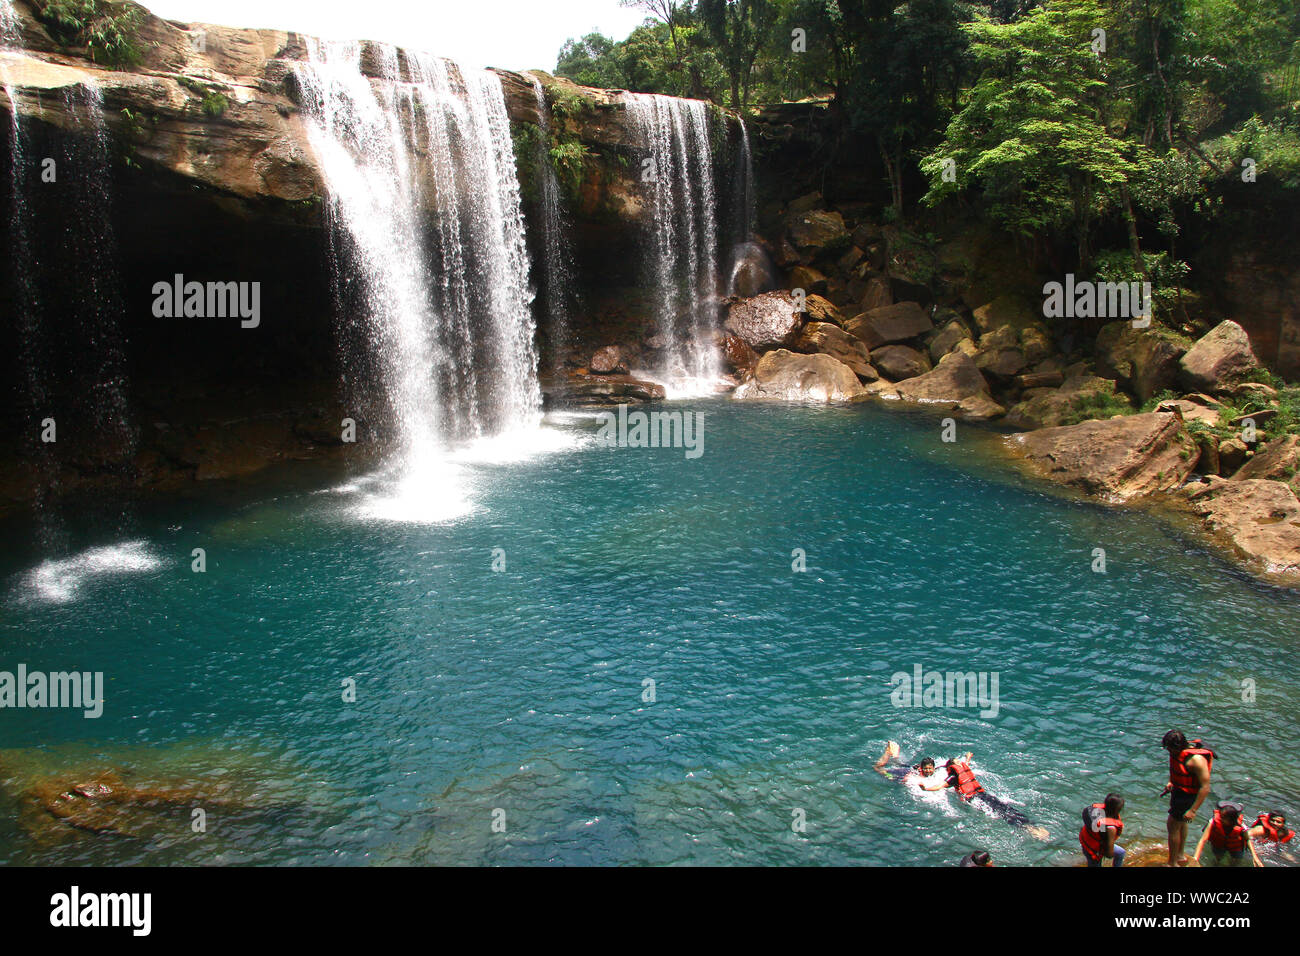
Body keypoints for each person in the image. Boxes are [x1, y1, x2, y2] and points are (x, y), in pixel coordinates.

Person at [943, 757, 1050, 841]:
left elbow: (965, 767)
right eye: (957, 762)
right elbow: (940, 786)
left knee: (1005, 808)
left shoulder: (961, 771)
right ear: (953, 766)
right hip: (977, 798)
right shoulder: (953, 778)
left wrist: (968, 758)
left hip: (981, 796)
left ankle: (1032, 826)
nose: (960, 763)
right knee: (1002, 812)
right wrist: (930, 788)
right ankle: (1031, 830)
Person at [1160, 730, 1213, 866]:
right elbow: (1178, 769)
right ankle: (1180, 856)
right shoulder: (1177, 753)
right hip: (1179, 791)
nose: (1168, 751)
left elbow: (1205, 787)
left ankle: (1172, 863)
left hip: (1187, 797)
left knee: (1172, 827)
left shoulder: (1196, 760)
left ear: (1179, 746)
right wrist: (1171, 782)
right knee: (1182, 824)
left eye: (1170, 748)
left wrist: (1193, 810)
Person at [1193, 802, 1261, 867]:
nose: (1220, 818)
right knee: (1217, 858)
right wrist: (1195, 858)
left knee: (1235, 862)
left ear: (1231, 820)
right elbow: (1203, 840)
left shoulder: (1241, 826)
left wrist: (1255, 857)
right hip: (1219, 843)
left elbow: (1248, 839)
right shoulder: (1213, 821)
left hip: (1235, 846)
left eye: (1223, 817)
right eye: (1220, 816)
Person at [873, 741, 949, 791]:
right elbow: (906, 778)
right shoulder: (916, 775)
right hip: (903, 772)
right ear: (922, 768)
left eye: (930, 768)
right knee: (877, 768)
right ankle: (888, 751)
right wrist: (896, 780)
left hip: (910, 768)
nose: (928, 770)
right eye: (925, 768)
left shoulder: (936, 771)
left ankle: (893, 750)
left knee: (896, 763)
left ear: (934, 768)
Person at [1079, 793, 1126, 867]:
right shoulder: (1110, 828)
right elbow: (1108, 855)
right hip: (1094, 850)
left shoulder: (1097, 812)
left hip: (1086, 843)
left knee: (1121, 852)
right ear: (1117, 810)